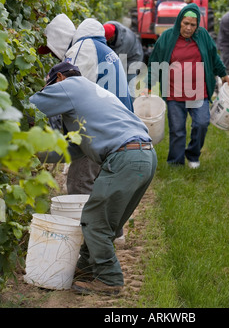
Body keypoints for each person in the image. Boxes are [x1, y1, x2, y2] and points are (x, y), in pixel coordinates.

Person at [30, 62, 157, 295]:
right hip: (144, 155)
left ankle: (110, 279)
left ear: (58, 78)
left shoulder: (69, 86)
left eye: (50, 87)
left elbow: (30, 108)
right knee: (106, 222)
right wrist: (33, 153)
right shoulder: (92, 95)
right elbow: (73, 150)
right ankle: (86, 269)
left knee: (94, 220)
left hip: (125, 157)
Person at [39, 15, 133, 198]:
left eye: (51, 51)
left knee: (80, 185)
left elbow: (68, 95)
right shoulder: (100, 49)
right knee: (105, 196)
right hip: (117, 132)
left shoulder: (81, 50)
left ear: (59, 41)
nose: (52, 56)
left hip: (100, 134)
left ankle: (85, 226)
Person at [146, 3, 229, 168]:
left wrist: (223, 73)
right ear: (179, 22)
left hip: (198, 91)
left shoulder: (203, 35)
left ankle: (193, 154)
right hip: (174, 92)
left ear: (197, 25)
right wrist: (149, 84)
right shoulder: (167, 37)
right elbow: (155, 62)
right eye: (186, 23)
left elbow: (213, 56)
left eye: (193, 24)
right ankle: (175, 162)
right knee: (177, 130)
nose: (189, 28)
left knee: (202, 123)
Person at [103, 21, 144, 99]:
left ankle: (131, 107)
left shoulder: (125, 41)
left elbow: (116, 63)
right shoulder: (107, 27)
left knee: (129, 83)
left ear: (113, 36)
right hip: (123, 55)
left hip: (133, 58)